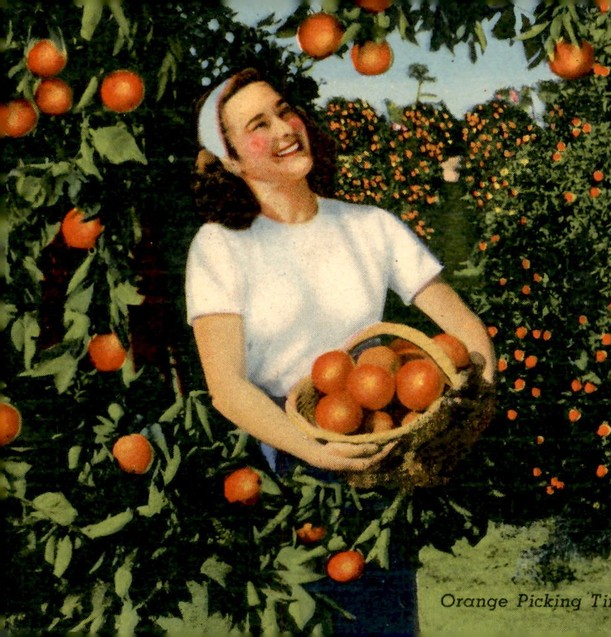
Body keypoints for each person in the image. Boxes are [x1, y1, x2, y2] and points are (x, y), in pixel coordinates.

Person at [184, 68, 496, 635]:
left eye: (285, 110)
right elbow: (227, 387)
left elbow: (469, 334)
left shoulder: (370, 226)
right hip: (282, 467)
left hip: (377, 443)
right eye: (259, 124)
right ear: (230, 160)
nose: (284, 129)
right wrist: (315, 450)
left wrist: (469, 406)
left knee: (384, 619)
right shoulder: (220, 247)